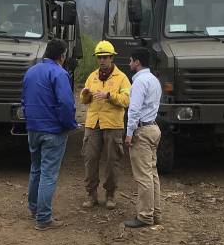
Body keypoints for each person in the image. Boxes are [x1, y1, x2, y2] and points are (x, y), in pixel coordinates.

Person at [21, 39, 78, 230]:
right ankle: (44, 218)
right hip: (53, 131)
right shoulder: (59, 73)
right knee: (48, 173)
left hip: (33, 129)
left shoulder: (31, 71)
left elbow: (24, 99)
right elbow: (65, 103)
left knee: (35, 168)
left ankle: (34, 208)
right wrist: (69, 124)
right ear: (62, 55)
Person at [80, 40, 131, 209]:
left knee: (112, 161)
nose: (101, 60)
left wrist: (109, 95)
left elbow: (126, 100)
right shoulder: (92, 76)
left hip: (113, 125)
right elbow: (84, 99)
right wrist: (85, 95)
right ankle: (91, 194)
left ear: (111, 58)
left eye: (105, 57)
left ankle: (110, 194)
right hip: (93, 123)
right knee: (90, 159)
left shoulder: (122, 78)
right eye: (99, 57)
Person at [124, 48, 163, 228]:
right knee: (152, 173)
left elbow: (134, 110)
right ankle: (156, 212)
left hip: (142, 131)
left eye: (131, 60)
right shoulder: (154, 80)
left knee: (143, 176)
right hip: (154, 127)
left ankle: (145, 216)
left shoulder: (139, 82)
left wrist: (129, 133)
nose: (130, 63)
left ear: (137, 62)